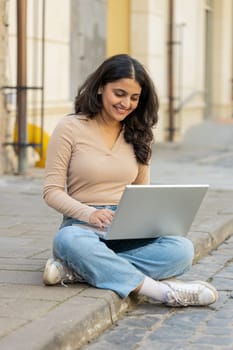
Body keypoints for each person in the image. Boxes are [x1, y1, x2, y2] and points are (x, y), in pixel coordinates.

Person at [43, 54, 218, 307]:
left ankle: (80, 270)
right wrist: (89, 214)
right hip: (83, 227)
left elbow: (141, 193)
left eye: (134, 98)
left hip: (127, 228)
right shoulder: (70, 127)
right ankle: (162, 293)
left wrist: (151, 220)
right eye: (120, 93)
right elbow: (51, 191)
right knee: (67, 241)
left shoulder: (140, 135)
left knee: (182, 250)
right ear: (101, 87)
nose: (126, 103)